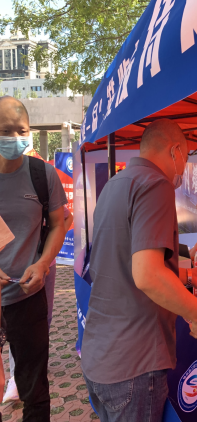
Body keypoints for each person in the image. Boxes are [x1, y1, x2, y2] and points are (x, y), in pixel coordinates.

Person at [81, 119, 197, 422]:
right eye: (186, 157)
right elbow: (148, 275)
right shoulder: (156, 184)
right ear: (175, 151)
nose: (184, 167)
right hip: (135, 363)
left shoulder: (114, 185)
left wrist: (186, 276)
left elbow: (123, 264)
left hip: (99, 355)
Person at [0, 96, 67, 421]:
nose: (14, 138)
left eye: (21, 130)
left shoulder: (43, 174)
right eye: (5, 130)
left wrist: (42, 263)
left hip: (26, 297)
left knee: (35, 391)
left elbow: (58, 224)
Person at [4, 205, 73, 402]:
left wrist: (46, 255)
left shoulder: (41, 187)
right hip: (9, 272)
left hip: (43, 269)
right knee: (15, 324)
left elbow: (66, 218)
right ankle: (16, 378)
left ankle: (32, 368)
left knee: (42, 318)